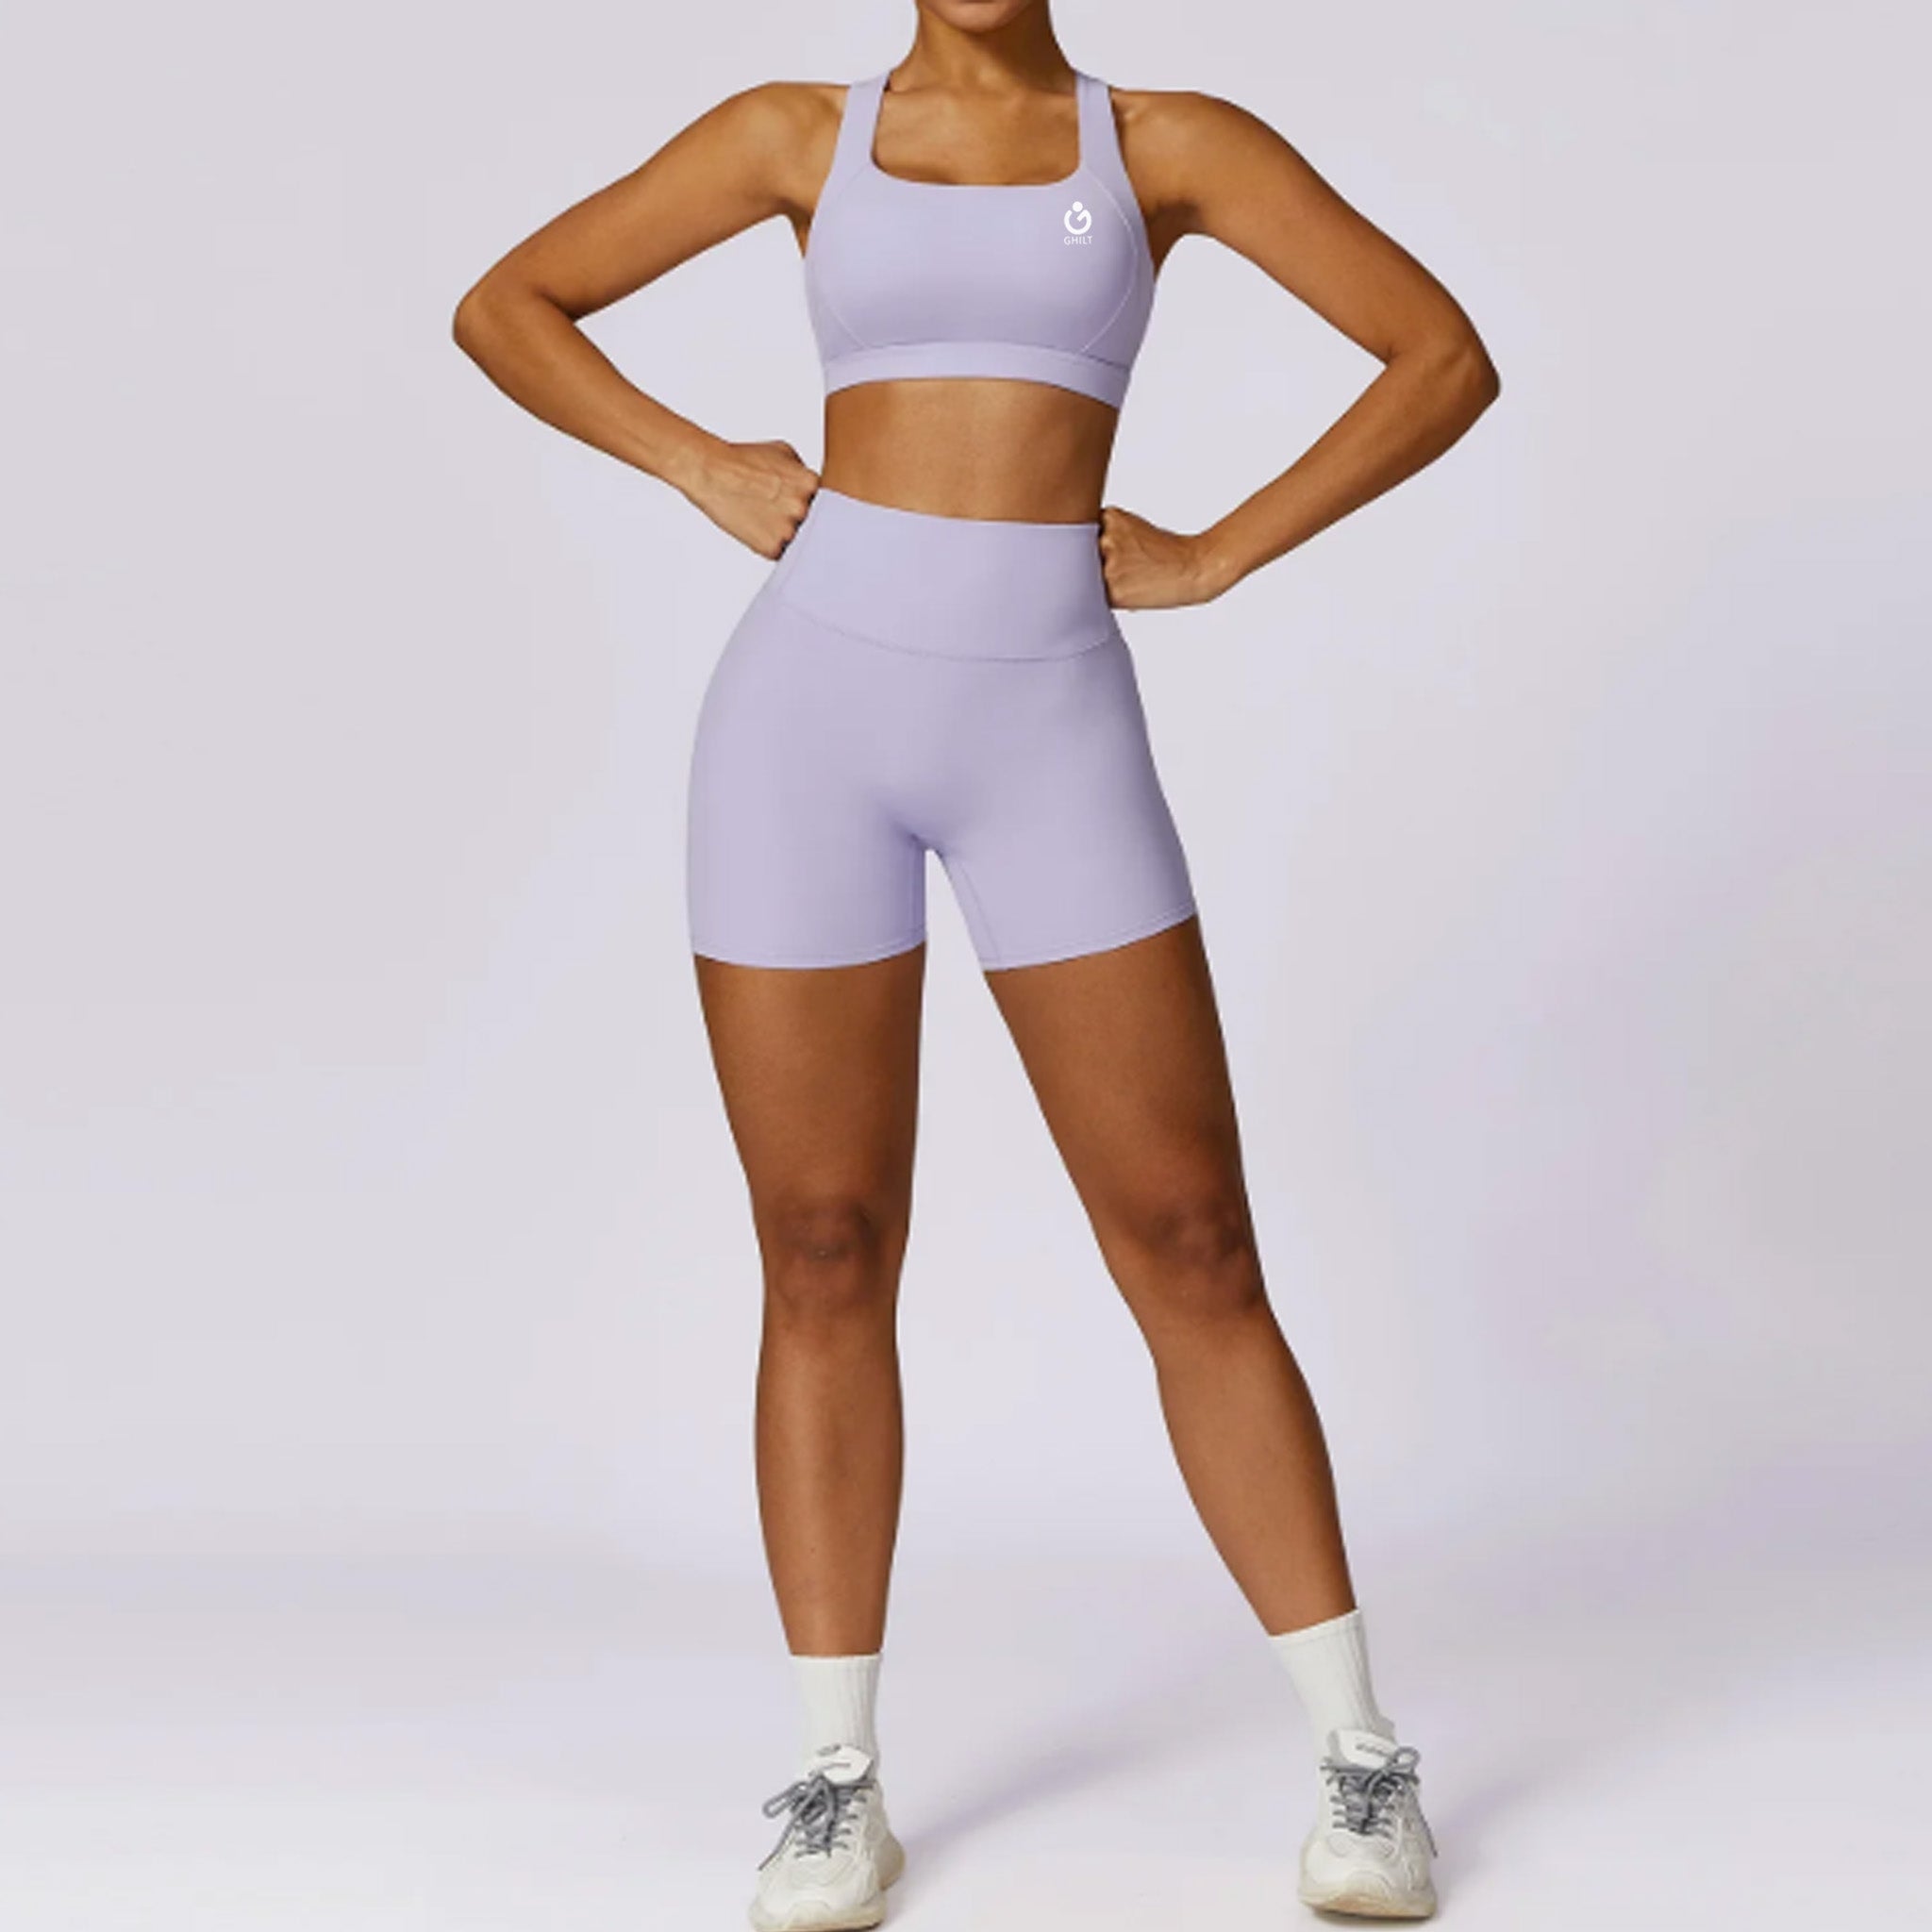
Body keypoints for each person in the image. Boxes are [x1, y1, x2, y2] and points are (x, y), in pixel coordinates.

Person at [454, 2, 1498, 1924]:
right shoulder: (792, 133)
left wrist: (1223, 551)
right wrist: (692, 461)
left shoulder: (1166, 143)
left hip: (1050, 736)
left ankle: (1362, 1758)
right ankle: (833, 1781)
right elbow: (506, 305)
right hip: (801, 730)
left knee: (1191, 1240)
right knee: (821, 1243)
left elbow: (1442, 356)